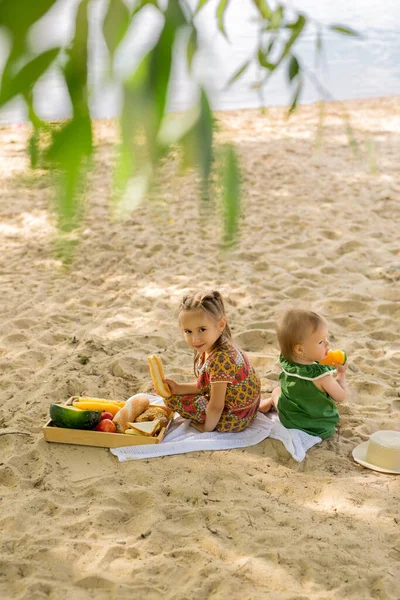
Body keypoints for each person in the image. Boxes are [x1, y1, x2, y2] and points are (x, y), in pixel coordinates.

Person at [163, 290, 261, 433]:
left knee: (171, 401)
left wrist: (206, 429)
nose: (195, 339)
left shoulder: (220, 359)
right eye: (188, 331)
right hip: (248, 409)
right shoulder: (219, 344)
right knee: (175, 393)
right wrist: (178, 387)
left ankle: (211, 423)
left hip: (234, 418)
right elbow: (209, 385)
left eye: (202, 329)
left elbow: (216, 405)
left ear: (221, 324)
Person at [259, 309, 348, 439]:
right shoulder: (322, 377)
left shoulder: (287, 363)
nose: (328, 344)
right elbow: (341, 396)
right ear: (300, 349)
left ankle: (268, 403)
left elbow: (306, 360)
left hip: (291, 421)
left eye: (326, 339)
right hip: (321, 428)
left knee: (277, 391)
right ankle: (270, 402)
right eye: (320, 342)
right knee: (279, 391)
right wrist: (341, 373)